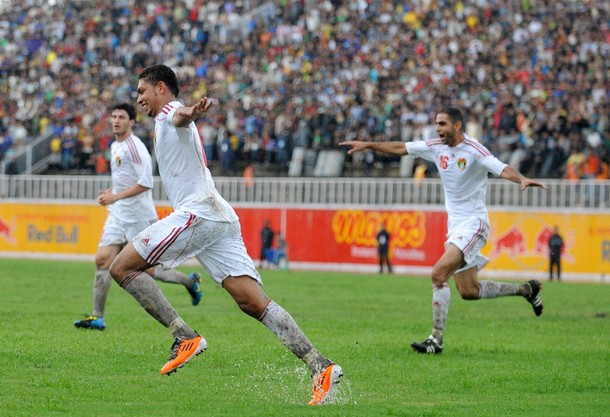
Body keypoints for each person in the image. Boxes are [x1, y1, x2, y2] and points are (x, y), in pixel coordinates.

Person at [108, 65, 342, 405]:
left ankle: (184, 335)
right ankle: (319, 364)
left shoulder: (171, 110)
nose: (138, 98)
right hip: (219, 216)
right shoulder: (163, 120)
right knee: (252, 302)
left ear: (160, 87)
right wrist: (190, 114)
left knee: (121, 267)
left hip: (199, 213)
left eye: (142, 91)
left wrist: (192, 112)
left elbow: (181, 116)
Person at [340, 106, 547, 354]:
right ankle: (527, 290)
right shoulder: (436, 147)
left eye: (442, 124)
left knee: (438, 274)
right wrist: (369, 145)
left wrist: (521, 178)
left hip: (474, 224)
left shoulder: (474, 149)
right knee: (469, 291)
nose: (438, 129)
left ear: (457, 126)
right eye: (437, 124)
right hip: (456, 227)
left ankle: (436, 340)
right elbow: (402, 147)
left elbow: (500, 167)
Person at [74, 103, 202, 331]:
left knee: (150, 270)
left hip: (139, 217)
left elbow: (145, 183)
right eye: (114, 116)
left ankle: (189, 281)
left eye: (121, 117)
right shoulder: (115, 145)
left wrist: (115, 197)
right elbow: (125, 179)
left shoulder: (136, 147)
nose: (116, 121)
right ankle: (97, 317)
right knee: (102, 259)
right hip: (118, 214)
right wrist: (112, 192)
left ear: (131, 122)